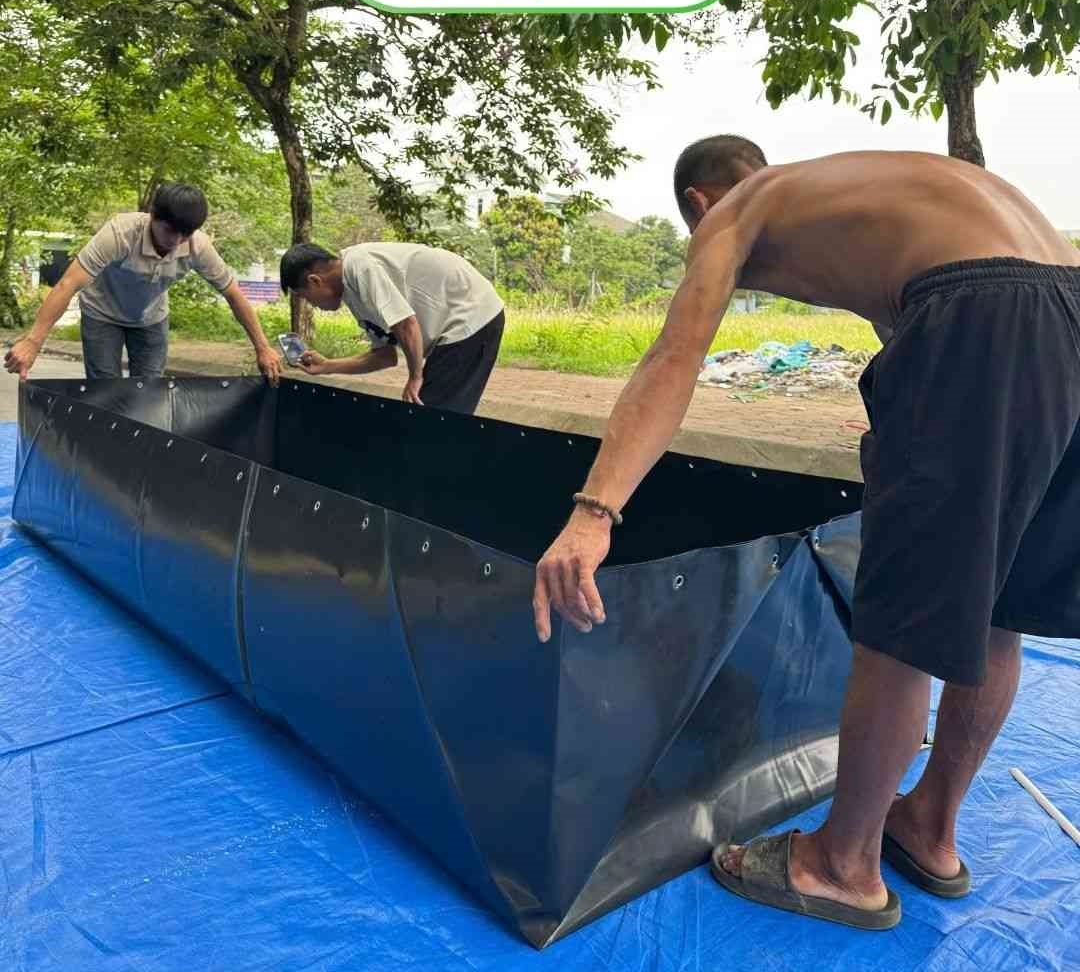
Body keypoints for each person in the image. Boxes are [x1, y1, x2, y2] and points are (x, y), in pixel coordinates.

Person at [532, 135, 1080, 931]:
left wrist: (593, 512)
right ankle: (929, 826)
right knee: (1000, 607)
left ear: (698, 203)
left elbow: (674, 360)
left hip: (983, 309)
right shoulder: (856, 194)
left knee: (901, 624)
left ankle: (841, 867)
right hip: (1069, 303)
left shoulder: (735, 214)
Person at [4, 183, 281, 384]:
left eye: (185, 234)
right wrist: (33, 341)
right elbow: (67, 284)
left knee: (149, 390)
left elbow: (233, 294)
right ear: (153, 215)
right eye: (170, 230)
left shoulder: (198, 246)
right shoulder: (120, 233)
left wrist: (262, 347)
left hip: (151, 318)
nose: (176, 241)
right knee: (105, 390)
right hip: (101, 313)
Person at [279, 241, 505, 415]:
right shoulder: (353, 292)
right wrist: (327, 366)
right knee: (431, 418)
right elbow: (385, 357)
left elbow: (406, 324)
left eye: (304, 296)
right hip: (458, 328)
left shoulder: (359, 265)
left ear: (315, 281)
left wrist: (415, 377)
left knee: (433, 419)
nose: (311, 304)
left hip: (472, 316)